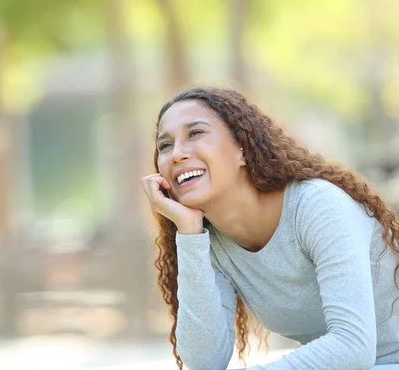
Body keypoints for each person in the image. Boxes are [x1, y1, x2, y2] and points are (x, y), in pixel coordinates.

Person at [141, 87, 399, 370]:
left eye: (195, 133)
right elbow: (205, 362)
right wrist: (189, 233)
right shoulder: (209, 242)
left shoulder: (316, 205)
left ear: (242, 148)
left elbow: (352, 347)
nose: (177, 154)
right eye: (165, 145)